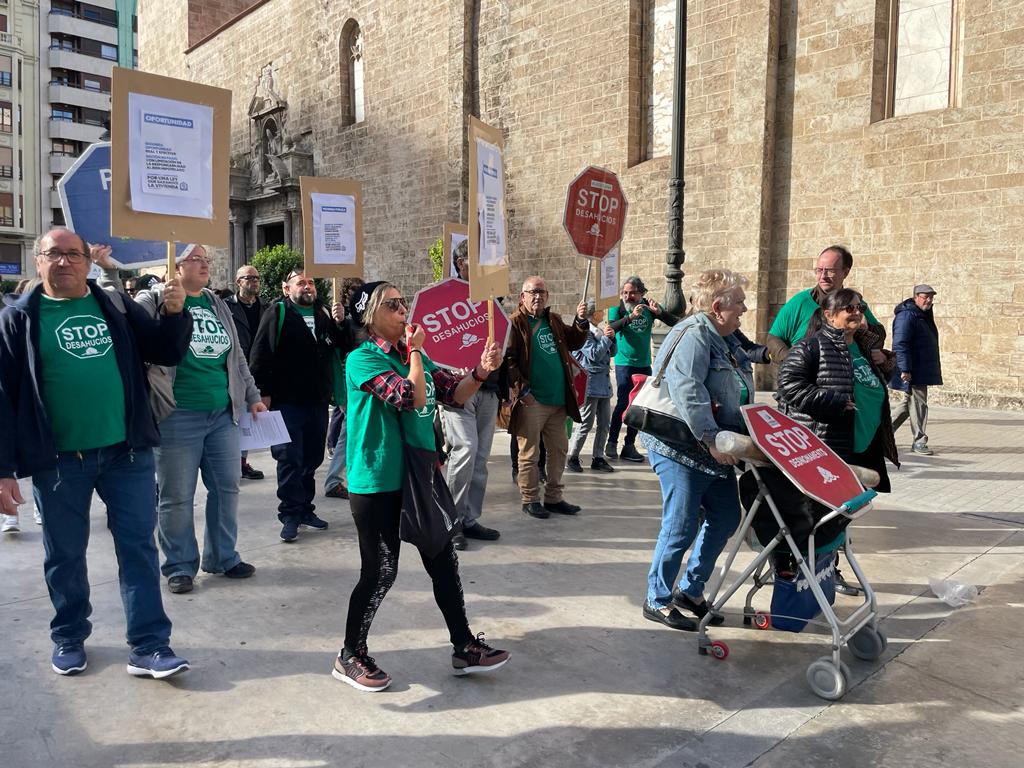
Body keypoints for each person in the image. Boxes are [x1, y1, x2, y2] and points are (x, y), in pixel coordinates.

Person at [0, 227, 192, 678]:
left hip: (125, 454)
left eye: (73, 254)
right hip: (60, 462)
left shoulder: (114, 305)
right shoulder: (18, 319)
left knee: (139, 549)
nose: (64, 262)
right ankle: (68, 635)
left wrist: (175, 312)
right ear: (37, 261)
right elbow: (4, 396)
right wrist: (4, 468)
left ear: (87, 262)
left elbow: (163, 349)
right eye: (54, 254)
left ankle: (149, 646)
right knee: (64, 554)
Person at [335, 281, 509, 691]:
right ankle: (350, 655)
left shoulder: (417, 359)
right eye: (393, 305)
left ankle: (464, 646)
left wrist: (481, 370)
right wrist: (415, 351)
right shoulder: (361, 360)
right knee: (380, 571)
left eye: (403, 303)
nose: (403, 311)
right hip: (377, 480)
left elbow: (453, 393)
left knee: (442, 557)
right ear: (372, 315)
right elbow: (408, 398)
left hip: (419, 475)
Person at [137, 245, 264, 595]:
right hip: (177, 414)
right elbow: (134, 328)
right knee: (177, 496)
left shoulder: (215, 302)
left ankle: (223, 556)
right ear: (175, 263)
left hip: (223, 414)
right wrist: (163, 301)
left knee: (227, 489)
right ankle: (179, 565)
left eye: (207, 259)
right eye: (196, 258)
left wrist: (252, 397)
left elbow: (236, 357)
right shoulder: (154, 299)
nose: (205, 264)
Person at [641, 269, 751, 632]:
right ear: (718, 307)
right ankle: (657, 598)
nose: (745, 308)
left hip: (715, 447)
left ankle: (690, 591)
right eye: (739, 303)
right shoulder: (694, 335)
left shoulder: (724, 336)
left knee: (725, 517)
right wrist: (710, 439)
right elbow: (688, 391)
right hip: (683, 446)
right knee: (681, 525)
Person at [776, 289, 900, 583]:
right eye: (849, 308)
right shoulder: (812, 346)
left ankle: (827, 569)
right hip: (829, 443)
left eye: (859, 307)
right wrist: (832, 402)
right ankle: (806, 571)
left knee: (843, 513)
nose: (856, 312)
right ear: (829, 315)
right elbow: (788, 386)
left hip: (861, 443)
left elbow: (880, 378)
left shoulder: (863, 345)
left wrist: (884, 361)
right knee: (822, 516)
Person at [249, 268, 354, 542]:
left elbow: (341, 347)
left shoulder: (323, 314)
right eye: (300, 283)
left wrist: (341, 323)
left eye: (310, 282)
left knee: (311, 459)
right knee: (289, 458)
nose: (307, 286)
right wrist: (263, 392)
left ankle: (306, 508)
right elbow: (261, 353)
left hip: (317, 401)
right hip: (287, 402)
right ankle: (290, 514)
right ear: (287, 289)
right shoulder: (278, 313)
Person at [504, 276, 589, 519]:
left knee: (559, 449)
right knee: (530, 452)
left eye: (541, 291)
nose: (537, 296)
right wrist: (523, 391)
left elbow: (574, 341)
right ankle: (530, 498)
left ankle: (553, 497)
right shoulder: (516, 323)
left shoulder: (553, 319)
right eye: (532, 292)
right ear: (523, 296)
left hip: (558, 400)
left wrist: (581, 321)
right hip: (534, 400)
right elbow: (508, 361)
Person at [766, 245, 886, 364]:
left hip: (845, 375)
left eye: (830, 271)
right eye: (819, 270)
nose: (823, 276)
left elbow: (879, 335)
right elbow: (773, 339)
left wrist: (866, 330)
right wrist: (794, 362)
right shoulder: (800, 302)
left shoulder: (856, 305)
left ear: (845, 272)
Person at [606, 276, 679, 462]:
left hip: (644, 364)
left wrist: (660, 312)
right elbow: (611, 328)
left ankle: (629, 445)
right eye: (625, 293)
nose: (628, 296)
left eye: (632, 293)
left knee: (639, 406)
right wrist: (630, 317)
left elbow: (675, 322)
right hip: (624, 363)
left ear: (641, 293)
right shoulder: (618, 307)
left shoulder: (647, 306)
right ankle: (611, 442)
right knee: (623, 403)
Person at [225, 263, 270, 480]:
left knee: (251, 420)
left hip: (260, 369)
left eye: (257, 278)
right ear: (238, 282)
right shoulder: (226, 307)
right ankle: (236, 463)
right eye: (249, 278)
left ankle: (241, 462)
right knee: (237, 418)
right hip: (236, 369)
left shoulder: (267, 307)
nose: (254, 281)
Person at [323, 277, 365, 500]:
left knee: (349, 431)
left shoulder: (363, 321)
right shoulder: (347, 322)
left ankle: (334, 479)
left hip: (356, 384)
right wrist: (339, 322)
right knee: (351, 431)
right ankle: (335, 479)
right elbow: (340, 347)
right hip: (348, 383)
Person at [566, 300, 617, 473]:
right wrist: (607, 340)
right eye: (601, 311)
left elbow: (612, 352)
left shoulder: (600, 330)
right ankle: (573, 456)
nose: (604, 314)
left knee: (604, 424)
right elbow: (594, 354)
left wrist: (612, 338)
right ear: (595, 314)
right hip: (590, 384)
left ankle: (598, 457)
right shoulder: (585, 332)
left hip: (603, 384)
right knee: (585, 423)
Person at [891, 284, 942, 455]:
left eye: (931, 297)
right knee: (919, 404)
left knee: (908, 405)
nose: (928, 300)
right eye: (924, 296)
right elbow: (900, 344)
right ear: (915, 297)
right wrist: (904, 369)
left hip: (921, 367)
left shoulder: (922, 314)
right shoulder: (907, 315)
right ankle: (919, 441)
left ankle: (879, 435)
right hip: (913, 369)